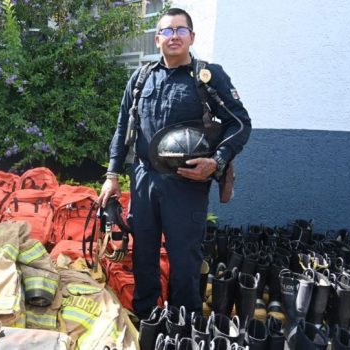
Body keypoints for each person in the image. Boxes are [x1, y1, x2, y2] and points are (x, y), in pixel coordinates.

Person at [98, 8, 251, 320]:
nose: (174, 36)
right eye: (167, 31)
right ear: (157, 39)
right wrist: (112, 175)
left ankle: (184, 325)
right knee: (143, 256)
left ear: (191, 37)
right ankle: (146, 319)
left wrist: (217, 161)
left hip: (187, 185)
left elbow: (240, 124)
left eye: (181, 30)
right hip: (144, 181)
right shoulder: (140, 79)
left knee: (183, 260)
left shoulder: (208, 77)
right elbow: (121, 130)